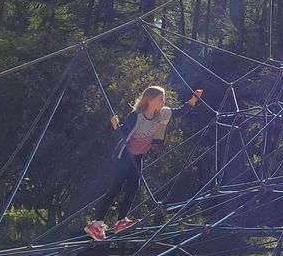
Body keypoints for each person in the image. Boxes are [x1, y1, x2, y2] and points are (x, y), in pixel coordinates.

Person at [85, 84, 202, 241]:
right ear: (150, 100)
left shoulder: (162, 113)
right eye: (160, 98)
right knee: (115, 188)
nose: (163, 101)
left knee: (134, 187)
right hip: (125, 155)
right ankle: (96, 223)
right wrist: (115, 125)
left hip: (138, 155)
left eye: (164, 98)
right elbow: (123, 132)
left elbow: (180, 112)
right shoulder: (136, 116)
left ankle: (121, 221)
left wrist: (193, 100)